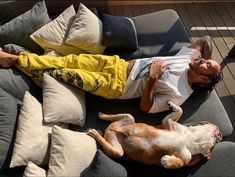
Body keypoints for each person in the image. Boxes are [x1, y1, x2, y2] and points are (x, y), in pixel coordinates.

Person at [0, 36, 222, 113]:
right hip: (115, 64)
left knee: (63, 72)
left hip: (114, 86)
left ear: (203, 80)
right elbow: (205, 41)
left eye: (206, 66)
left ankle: (15, 60)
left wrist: (153, 79)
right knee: (66, 60)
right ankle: (17, 60)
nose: (201, 61)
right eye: (205, 60)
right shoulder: (188, 60)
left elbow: (146, 108)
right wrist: (207, 64)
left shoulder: (180, 94)